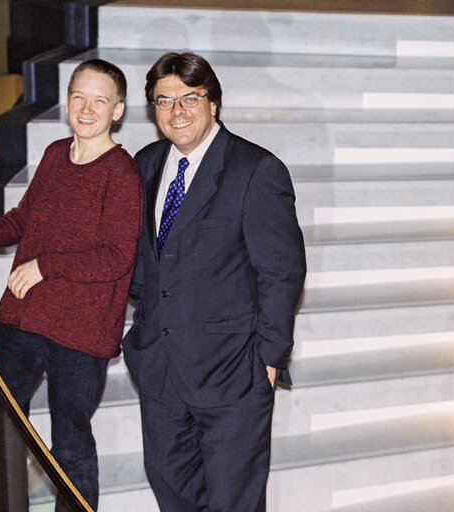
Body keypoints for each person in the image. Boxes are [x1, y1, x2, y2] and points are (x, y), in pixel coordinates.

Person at [0, 59, 142, 510]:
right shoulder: (54, 154)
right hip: (23, 319)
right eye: (78, 97)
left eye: (100, 100)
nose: (87, 109)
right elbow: (25, 218)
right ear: (66, 101)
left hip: (79, 335)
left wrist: (46, 265)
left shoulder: (122, 175)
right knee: (1, 429)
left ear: (118, 110)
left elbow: (116, 258)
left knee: (69, 447)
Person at [122, 52, 306, 512]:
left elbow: (282, 272)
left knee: (232, 503)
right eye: (164, 101)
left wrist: (268, 357)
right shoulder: (144, 164)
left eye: (190, 98)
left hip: (233, 374)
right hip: (161, 372)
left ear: (214, 104)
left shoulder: (255, 170)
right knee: (175, 497)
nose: (177, 111)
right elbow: (142, 261)